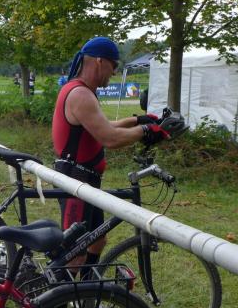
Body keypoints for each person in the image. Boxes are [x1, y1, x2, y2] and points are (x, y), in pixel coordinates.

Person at [51, 36, 169, 280]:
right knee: (75, 253)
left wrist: (138, 120)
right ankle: (59, 303)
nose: (114, 72)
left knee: (97, 239)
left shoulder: (81, 90)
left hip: (85, 180)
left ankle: (86, 286)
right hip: (76, 182)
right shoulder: (80, 94)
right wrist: (146, 131)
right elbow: (110, 138)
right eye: (113, 65)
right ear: (99, 61)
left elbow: (103, 126)